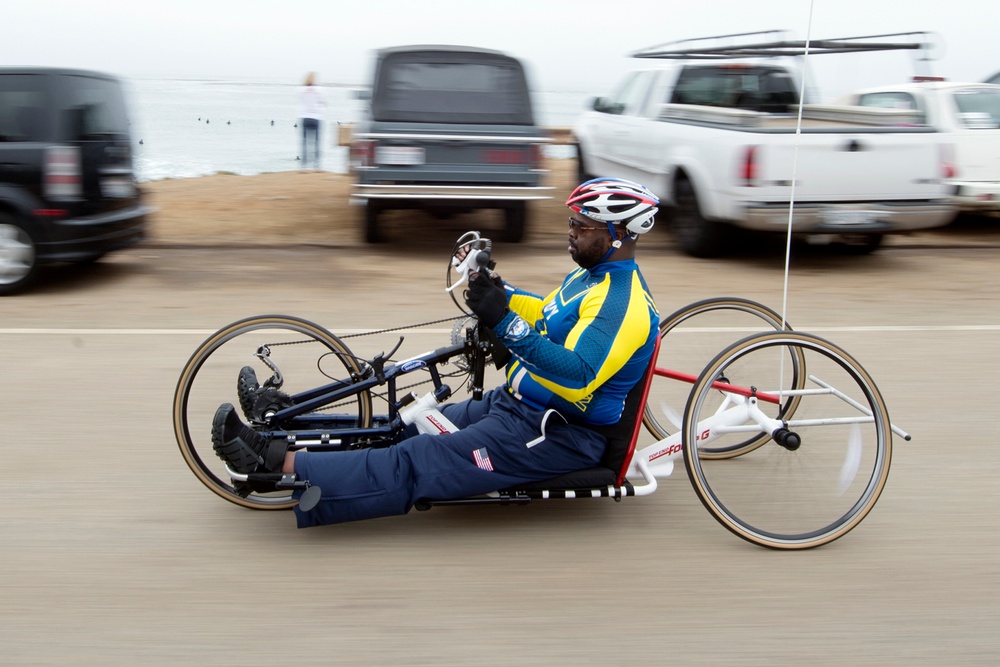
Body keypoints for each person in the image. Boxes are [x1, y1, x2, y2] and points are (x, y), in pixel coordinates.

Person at [211, 178, 661, 527]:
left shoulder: (624, 305)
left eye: (581, 228)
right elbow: (548, 313)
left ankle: (274, 463)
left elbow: (579, 372)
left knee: (420, 461)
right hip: (517, 406)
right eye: (571, 224)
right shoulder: (589, 280)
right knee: (401, 429)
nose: (570, 234)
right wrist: (500, 293)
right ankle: (281, 428)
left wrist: (503, 321)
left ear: (618, 233)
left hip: (560, 433)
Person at [298, 72, 326, 169]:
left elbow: (301, 101)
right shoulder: (320, 90)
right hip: (316, 118)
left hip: (305, 117)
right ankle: (317, 165)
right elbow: (322, 102)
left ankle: (304, 166)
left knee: (304, 142)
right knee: (317, 142)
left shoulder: (301, 90)